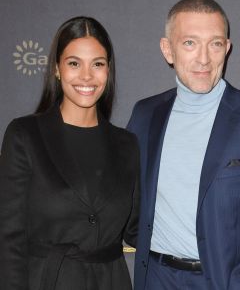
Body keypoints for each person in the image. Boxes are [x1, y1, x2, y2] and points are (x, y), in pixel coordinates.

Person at [127, 0, 240, 290]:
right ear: (168, 50)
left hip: (227, 283)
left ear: (227, 49)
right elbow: (130, 203)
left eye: (215, 43)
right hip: (156, 278)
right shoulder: (145, 114)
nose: (204, 58)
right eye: (189, 43)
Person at [0, 16, 139, 290]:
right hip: (47, 281)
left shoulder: (127, 144)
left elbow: (137, 229)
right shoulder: (25, 135)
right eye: (74, 63)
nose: (86, 76)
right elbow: (8, 238)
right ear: (57, 69)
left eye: (97, 64)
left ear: (108, 70)